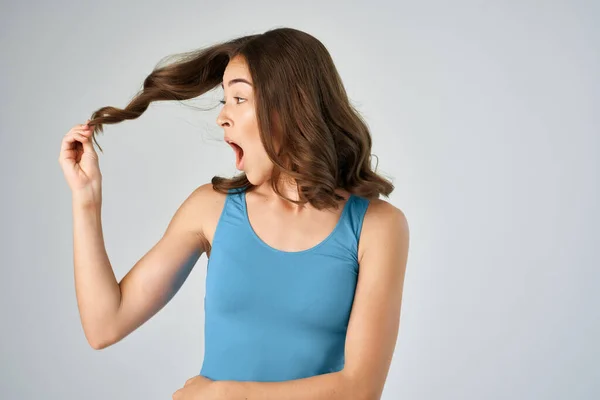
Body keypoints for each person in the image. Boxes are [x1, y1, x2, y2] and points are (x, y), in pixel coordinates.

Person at [58, 27, 410, 400]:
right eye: (224, 100)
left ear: (293, 104)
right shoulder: (209, 208)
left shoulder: (377, 227)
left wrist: (227, 394)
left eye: (239, 98)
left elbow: (360, 389)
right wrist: (86, 199)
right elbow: (104, 325)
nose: (222, 117)